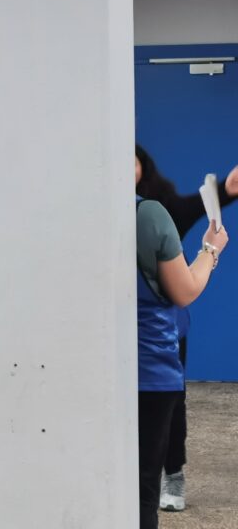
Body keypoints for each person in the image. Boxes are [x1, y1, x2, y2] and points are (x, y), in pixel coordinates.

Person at [134, 145, 238, 512]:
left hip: (160, 337)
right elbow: (187, 288)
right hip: (138, 347)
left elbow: (196, 205)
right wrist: (210, 251)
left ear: (143, 167)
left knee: (169, 405)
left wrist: (225, 190)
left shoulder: (157, 210)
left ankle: (173, 472)